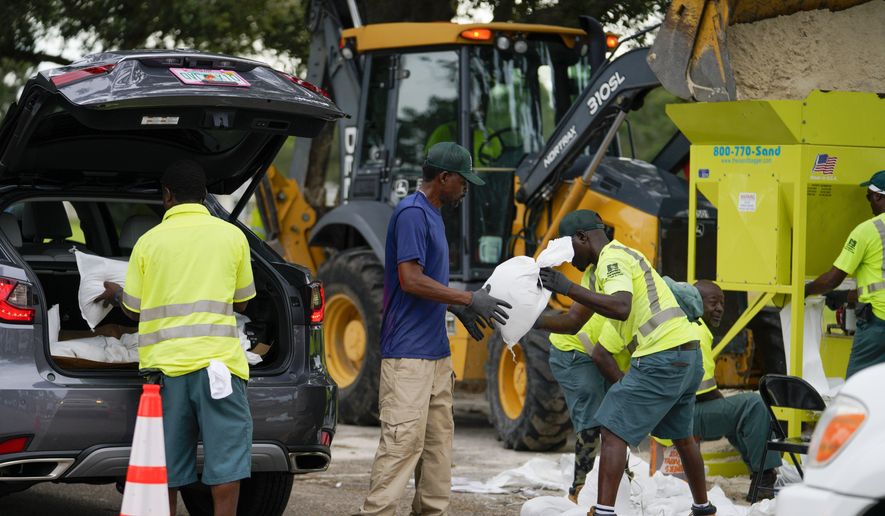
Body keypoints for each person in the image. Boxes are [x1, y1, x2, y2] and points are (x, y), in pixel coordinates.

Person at [357, 142, 511, 516]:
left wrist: (453, 308)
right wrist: (466, 299)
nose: (466, 188)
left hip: (436, 354)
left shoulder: (433, 214)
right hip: (408, 356)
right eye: (463, 180)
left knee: (438, 450)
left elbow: (426, 283)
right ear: (444, 177)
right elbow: (410, 279)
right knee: (401, 447)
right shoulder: (412, 213)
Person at [96, 160, 255, 516]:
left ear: (166, 196)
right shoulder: (233, 236)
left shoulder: (148, 242)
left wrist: (116, 292)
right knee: (227, 459)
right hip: (221, 369)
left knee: (166, 465)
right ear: (203, 196)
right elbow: (243, 298)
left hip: (166, 374)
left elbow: (134, 311)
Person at [538, 210, 714, 516]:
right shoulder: (594, 274)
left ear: (582, 237)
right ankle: (703, 508)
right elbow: (571, 322)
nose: (568, 261)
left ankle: (604, 511)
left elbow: (621, 306)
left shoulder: (612, 257)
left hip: (662, 356)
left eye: (569, 251)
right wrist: (527, 320)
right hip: (687, 356)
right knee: (683, 438)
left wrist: (566, 287)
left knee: (612, 429)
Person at [594, 280, 782, 502]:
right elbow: (703, 392)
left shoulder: (663, 320)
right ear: (694, 300)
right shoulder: (694, 330)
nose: (720, 309)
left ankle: (756, 475)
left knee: (738, 411)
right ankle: (765, 478)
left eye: (722, 303)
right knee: (752, 405)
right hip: (683, 415)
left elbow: (600, 353)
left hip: (659, 410)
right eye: (713, 302)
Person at [533, 229, 630, 503]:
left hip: (602, 354)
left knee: (617, 421)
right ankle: (579, 490)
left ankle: (619, 484)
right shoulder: (600, 277)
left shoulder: (615, 274)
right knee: (593, 422)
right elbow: (581, 331)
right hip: (575, 353)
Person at [805, 169, 885, 378]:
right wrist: (843, 297)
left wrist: (805, 290)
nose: (868, 203)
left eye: (868, 197)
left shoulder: (868, 230)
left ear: (878, 196)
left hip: (878, 325)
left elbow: (831, 280)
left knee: (855, 389)